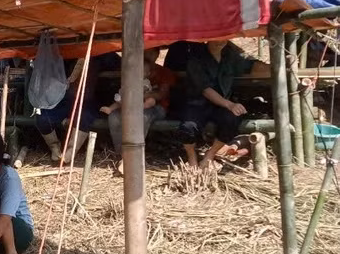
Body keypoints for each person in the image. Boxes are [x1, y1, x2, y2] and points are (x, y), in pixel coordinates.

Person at [179, 40, 267, 169]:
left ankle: (210, 155)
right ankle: (192, 157)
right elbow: (205, 89)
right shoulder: (196, 58)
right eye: (216, 39)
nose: (219, 42)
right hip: (198, 103)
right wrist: (229, 104)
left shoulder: (230, 56)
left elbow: (250, 65)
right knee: (188, 127)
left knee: (232, 119)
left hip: (221, 106)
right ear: (208, 38)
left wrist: (277, 67)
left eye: (224, 38)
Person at [102, 48, 176, 174]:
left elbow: (161, 95)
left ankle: (132, 157)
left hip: (155, 107)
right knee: (114, 117)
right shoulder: (132, 71)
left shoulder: (164, 72)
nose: (149, 55)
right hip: (130, 104)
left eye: (152, 52)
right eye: (146, 51)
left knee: (141, 117)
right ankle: (122, 155)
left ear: (158, 54)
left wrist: (138, 95)